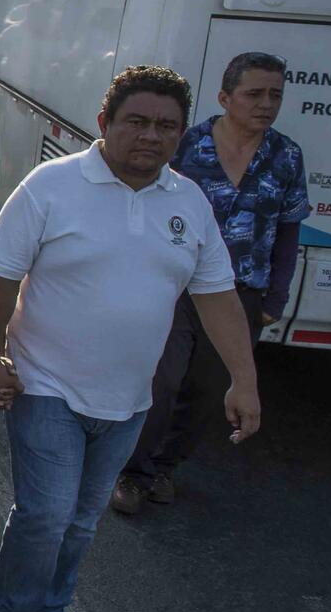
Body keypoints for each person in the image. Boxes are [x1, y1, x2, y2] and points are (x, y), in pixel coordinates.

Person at [0, 66, 261, 612]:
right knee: (47, 512)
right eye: (136, 121)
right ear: (104, 123)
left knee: (82, 519)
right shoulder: (50, 186)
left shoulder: (189, 202)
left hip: (129, 400)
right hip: (45, 383)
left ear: (182, 136)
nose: (150, 136)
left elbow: (216, 296)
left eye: (166, 127)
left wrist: (245, 379)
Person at [112, 52, 307, 515]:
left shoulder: (286, 156)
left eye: (274, 95)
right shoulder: (187, 146)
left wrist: (275, 296)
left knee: (206, 392)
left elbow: (288, 229)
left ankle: (164, 467)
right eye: (253, 94)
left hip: (241, 294)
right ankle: (132, 474)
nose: (265, 104)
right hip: (175, 287)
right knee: (162, 381)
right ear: (225, 98)